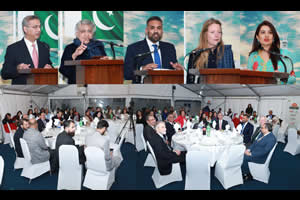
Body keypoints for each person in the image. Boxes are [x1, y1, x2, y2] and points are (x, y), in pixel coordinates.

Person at [124, 16, 183, 83]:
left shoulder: (169, 47)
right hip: (143, 90)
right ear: (146, 30)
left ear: (162, 31)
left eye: (159, 28)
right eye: (152, 28)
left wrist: (178, 70)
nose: (156, 31)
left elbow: (173, 70)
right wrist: (141, 70)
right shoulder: (133, 48)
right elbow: (127, 74)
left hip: (166, 89)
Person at [1, 15, 52, 84]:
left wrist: (49, 68)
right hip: (22, 92)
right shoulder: (13, 48)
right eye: (35, 27)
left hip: (42, 91)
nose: (39, 30)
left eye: (40, 27)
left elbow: (49, 65)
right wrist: (17, 69)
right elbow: (4, 74)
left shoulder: (44, 47)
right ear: (25, 29)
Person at [187, 18, 235, 83]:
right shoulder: (195, 54)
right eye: (212, 32)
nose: (216, 35)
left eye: (219, 32)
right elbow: (190, 81)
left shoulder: (227, 52)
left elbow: (234, 77)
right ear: (205, 35)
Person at [59, 19, 107, 84]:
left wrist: (105, 63)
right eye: (83, 31)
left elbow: (106, 70)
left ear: (93, 34)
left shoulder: (98, 46)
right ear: (76, 34)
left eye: (89, 31)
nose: (86, 34)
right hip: (77, 86)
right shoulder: (70, 48)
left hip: (98, 86)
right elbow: (63, 70)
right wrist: (74, 55)